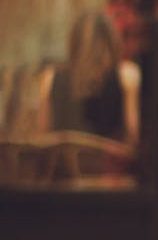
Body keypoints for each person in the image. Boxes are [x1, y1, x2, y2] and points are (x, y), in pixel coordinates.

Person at [37, 10, 141, 147]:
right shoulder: (127, 75)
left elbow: (44, 136)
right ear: (111, 40)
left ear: (74, 41)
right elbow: (132, 136)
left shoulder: (49, 77)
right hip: (109, 166)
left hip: (65, 166)